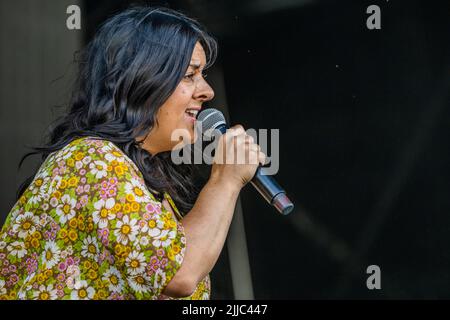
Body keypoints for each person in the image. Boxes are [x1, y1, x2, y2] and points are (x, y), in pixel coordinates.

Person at [0, 6, 265, 300]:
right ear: (143, 80)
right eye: (190, 75)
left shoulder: (141, 183)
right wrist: (225, 180)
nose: (207, 91)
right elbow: (178, 273)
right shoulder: (92, 161)